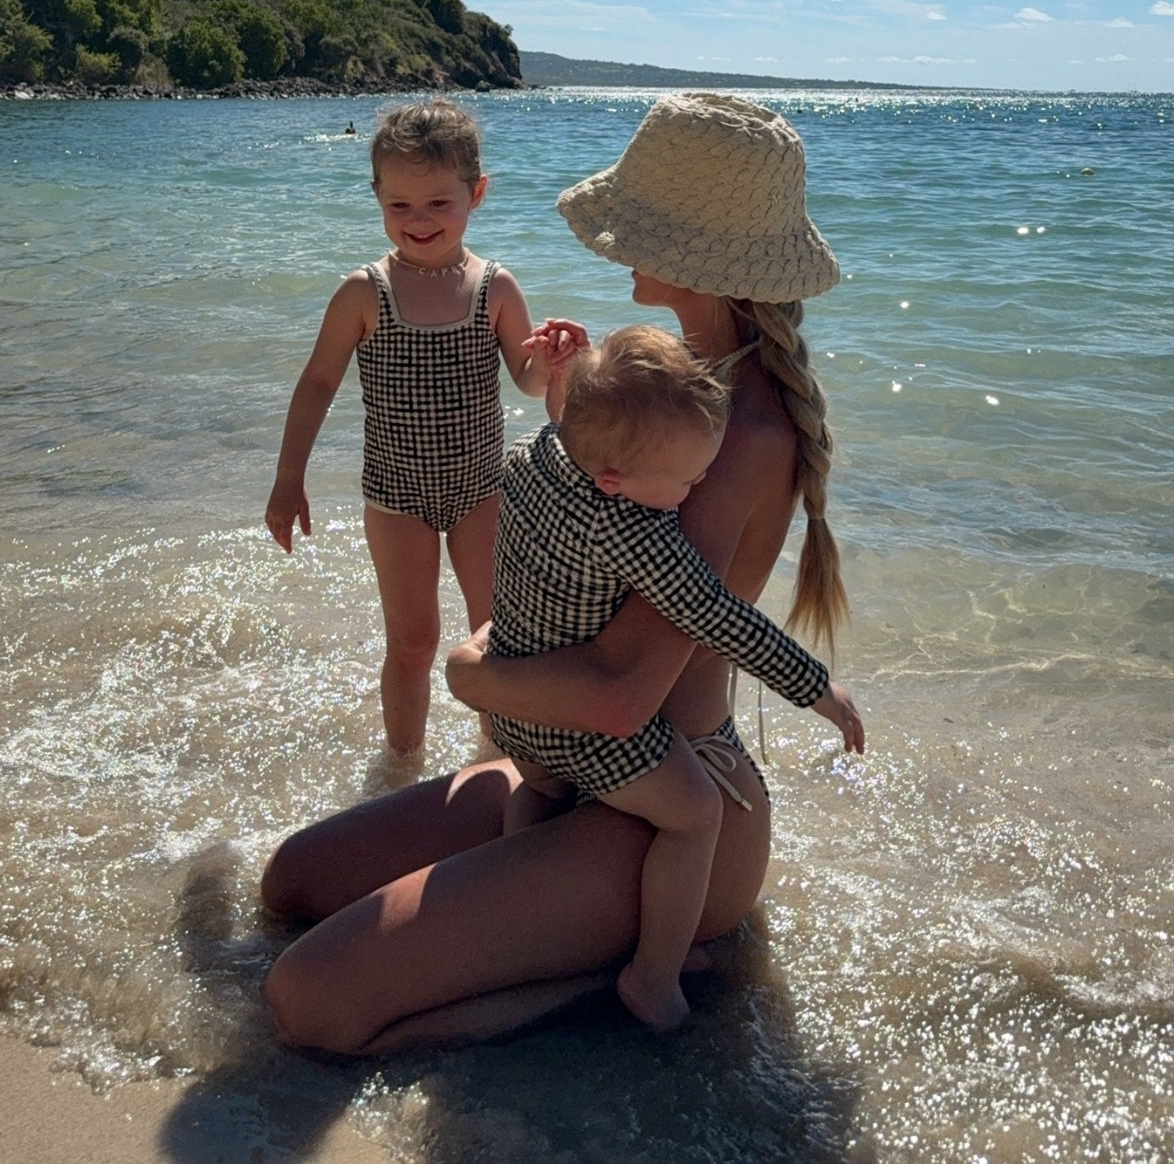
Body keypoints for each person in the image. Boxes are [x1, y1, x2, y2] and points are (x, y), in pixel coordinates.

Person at [262, 92, 865, 1054]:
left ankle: (618, 977)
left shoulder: (729, 433)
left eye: (639, 221)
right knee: (289, 882)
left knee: (311, 1001)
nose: (614, 239)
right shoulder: (663, 377)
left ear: (702, 255)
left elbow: (626, 696)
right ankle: (569, 945)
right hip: (574, 769)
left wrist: (470, 674)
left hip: (664, 802)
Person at [491, 324, 835, 1031]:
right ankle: (654, 973)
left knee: (539, 789)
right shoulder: (636, 533)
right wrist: (817, 688)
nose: (697, 488)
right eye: (685, 479)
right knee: (696, 812)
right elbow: (716, 615)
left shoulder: (532, 455)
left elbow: (567, 433)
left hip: (513, 706)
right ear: (616, 480)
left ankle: (509, 877)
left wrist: (567, 390)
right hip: (580, 727)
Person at [264, 99, 571, 755]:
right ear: (376, 197)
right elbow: (318, 382)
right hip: (396, 495)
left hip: (482, 489)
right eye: (399, 206)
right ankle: (401, 766)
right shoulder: (363, 293)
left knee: (495, 635)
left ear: (476, 195)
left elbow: (528, 381)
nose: (419, 221)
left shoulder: (494, 288)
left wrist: (551, 364)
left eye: (439, 203)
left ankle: (497, 759)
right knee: (412, 642)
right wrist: (289, 479)